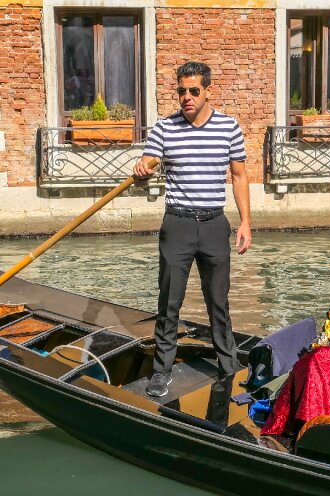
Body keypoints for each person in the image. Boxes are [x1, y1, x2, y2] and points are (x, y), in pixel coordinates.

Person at [133, 61, 252, 398]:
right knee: (169, 302)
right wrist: (142, 169)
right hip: (178, 225)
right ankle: (161, 372)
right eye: (181, 91)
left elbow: (240, 176)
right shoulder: (163, 128)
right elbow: (148, 165)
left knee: (219, 302)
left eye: (193, 91)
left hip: (215, 225)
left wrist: (245, 221)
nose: (186, 97)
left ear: (208, 91)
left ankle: (228, 367)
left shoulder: (229, 127)